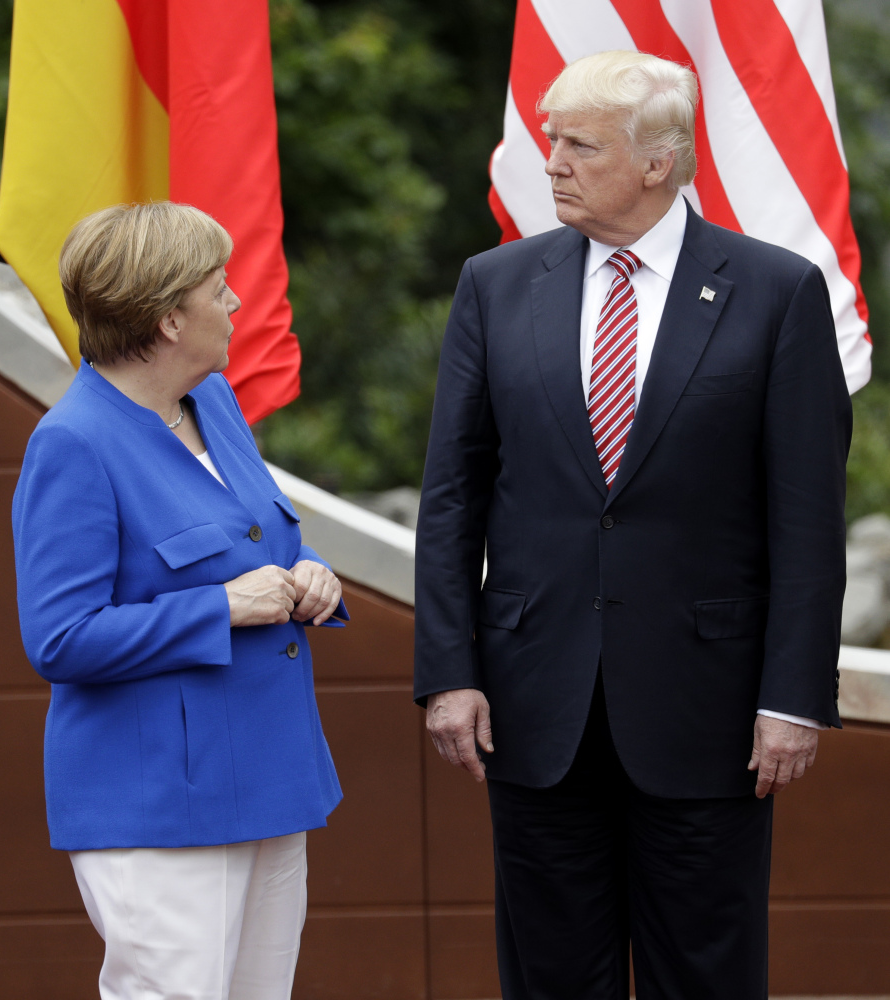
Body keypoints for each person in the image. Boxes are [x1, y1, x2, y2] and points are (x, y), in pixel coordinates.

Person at [414, 51, 851, 999]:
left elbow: (808, 520)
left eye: (578, 144)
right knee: (549, 975)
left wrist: (791, 698)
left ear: (659, 162)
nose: (552, 162)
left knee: (706, 973)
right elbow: (453, 495)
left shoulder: (775, 292)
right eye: (548, 139)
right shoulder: (494, 284)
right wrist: (448, 673)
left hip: (712, 714)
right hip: (535, 708)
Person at [13, 202, 347, 1000]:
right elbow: (59, 639)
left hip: (272, 775)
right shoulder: (73, 442)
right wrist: (221, 607)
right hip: (158, 802)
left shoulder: (213, 402)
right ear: (168, 320)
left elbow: (263, 543)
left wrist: (315, 578)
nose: (234, 302)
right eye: (217, 288)